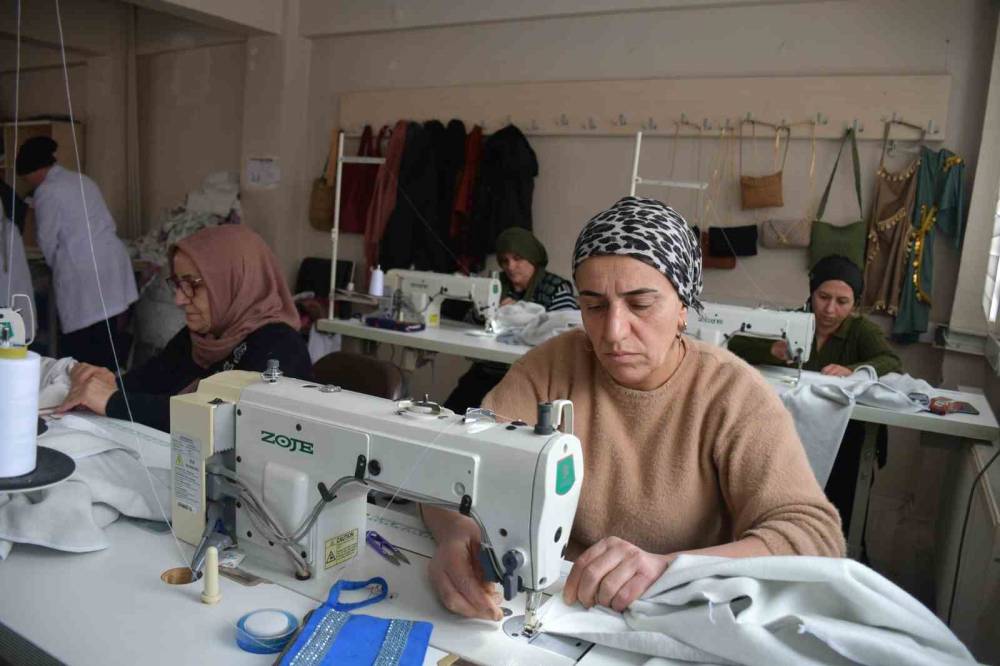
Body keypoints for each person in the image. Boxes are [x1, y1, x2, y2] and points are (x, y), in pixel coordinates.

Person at [425, 197, 844, 621]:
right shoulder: (553, 365)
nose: (612, 331)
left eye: (640, 305)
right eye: (593, 305)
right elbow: (455, 470)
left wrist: (671, 568)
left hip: (679, 614)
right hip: (564, 605)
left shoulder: (731, 394)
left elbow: (814, 538)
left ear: (683, 306)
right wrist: (456, 536)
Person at [55, 225, 312, 432]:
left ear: (233, 282)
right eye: (177, 284)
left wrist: (113, 400)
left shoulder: (279, 349)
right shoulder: (203, 337)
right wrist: (109, 382)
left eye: (193, 285)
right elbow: (153, 379)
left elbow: (225, 420)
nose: (179, 299)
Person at [728, 254, 903, 543]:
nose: (830, 309)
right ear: (812, 293)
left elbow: (892, 361)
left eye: (842, 302)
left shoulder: (861, 331)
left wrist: (853, 370)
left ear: (855, 304)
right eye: (823, 297)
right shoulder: (791, 322)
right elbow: (736, 342)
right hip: (790, 435)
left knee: (838, 515)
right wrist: (771, 350)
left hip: (847, 442)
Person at [16, 136, 137, 369]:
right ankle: (109, 386)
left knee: (85, 346)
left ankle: (88, 392)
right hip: (111, 261)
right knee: (106, 337)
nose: (27, 183)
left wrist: (56, 265)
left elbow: (47, 240)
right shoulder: (82, 180)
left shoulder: (46, 192)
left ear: (35, 171)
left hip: (84, 270)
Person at [444, 226, 577, 413]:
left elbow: (567, 333)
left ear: (532, 258)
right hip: (489, 371)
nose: (510, 267)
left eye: (517, 259)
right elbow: (470, 318)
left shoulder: (555, 289)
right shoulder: (496, 283)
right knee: (450, 414)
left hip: (530, 377)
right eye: (504, 260)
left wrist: (522, 315)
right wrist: (486, 311)